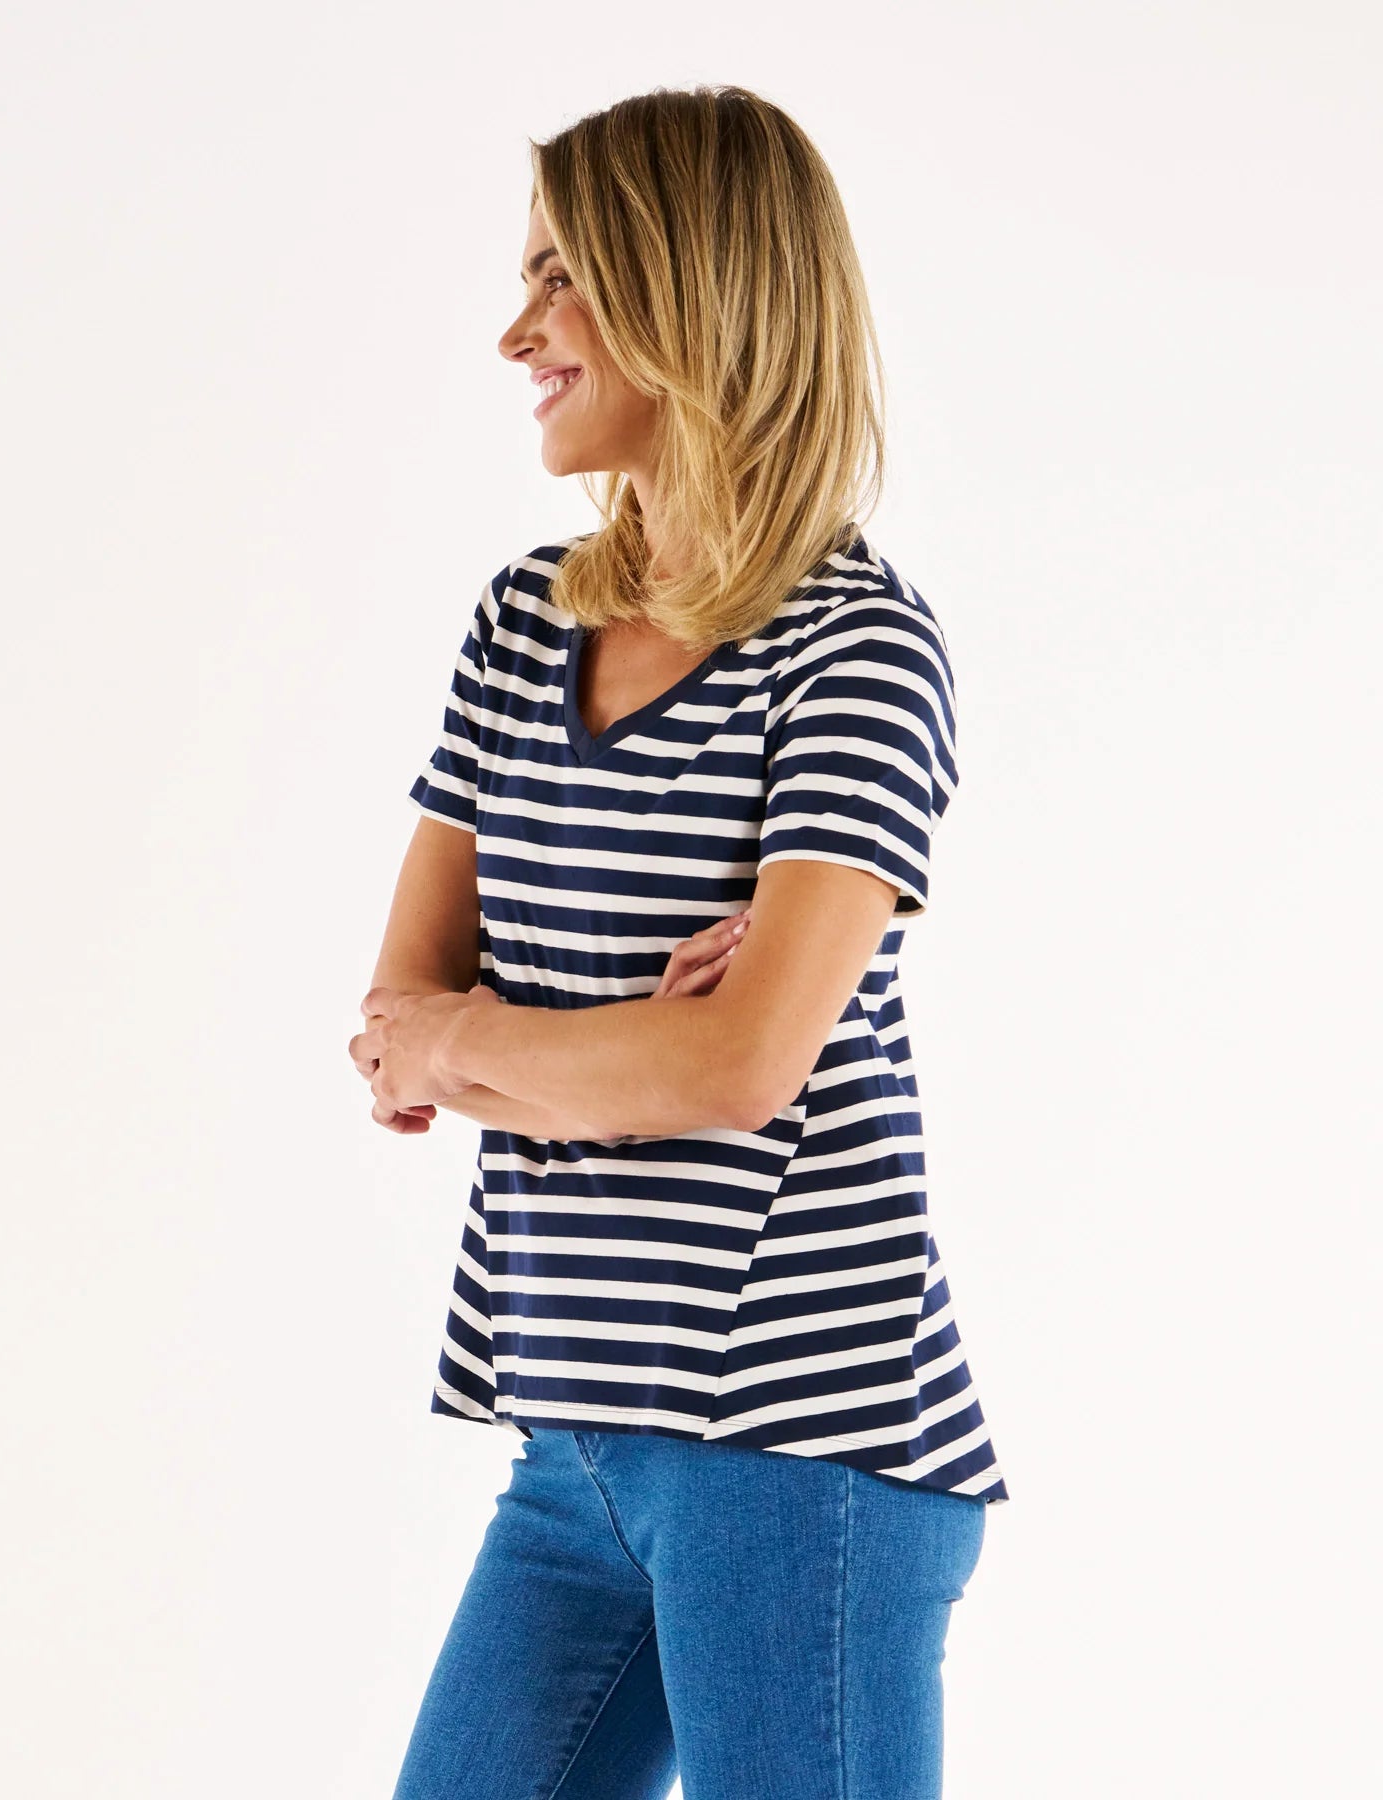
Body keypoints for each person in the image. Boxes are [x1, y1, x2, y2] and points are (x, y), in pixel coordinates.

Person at [350, 84, 1009, 1800]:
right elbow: (396, 1023)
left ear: (690, 292)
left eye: (561, 279)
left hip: (798, 1449)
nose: (518, 334)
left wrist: (518, 1046)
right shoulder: (521, 625)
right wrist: (592, 1050)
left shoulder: (858, 654)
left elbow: (737, 1066)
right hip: (573, 1443)